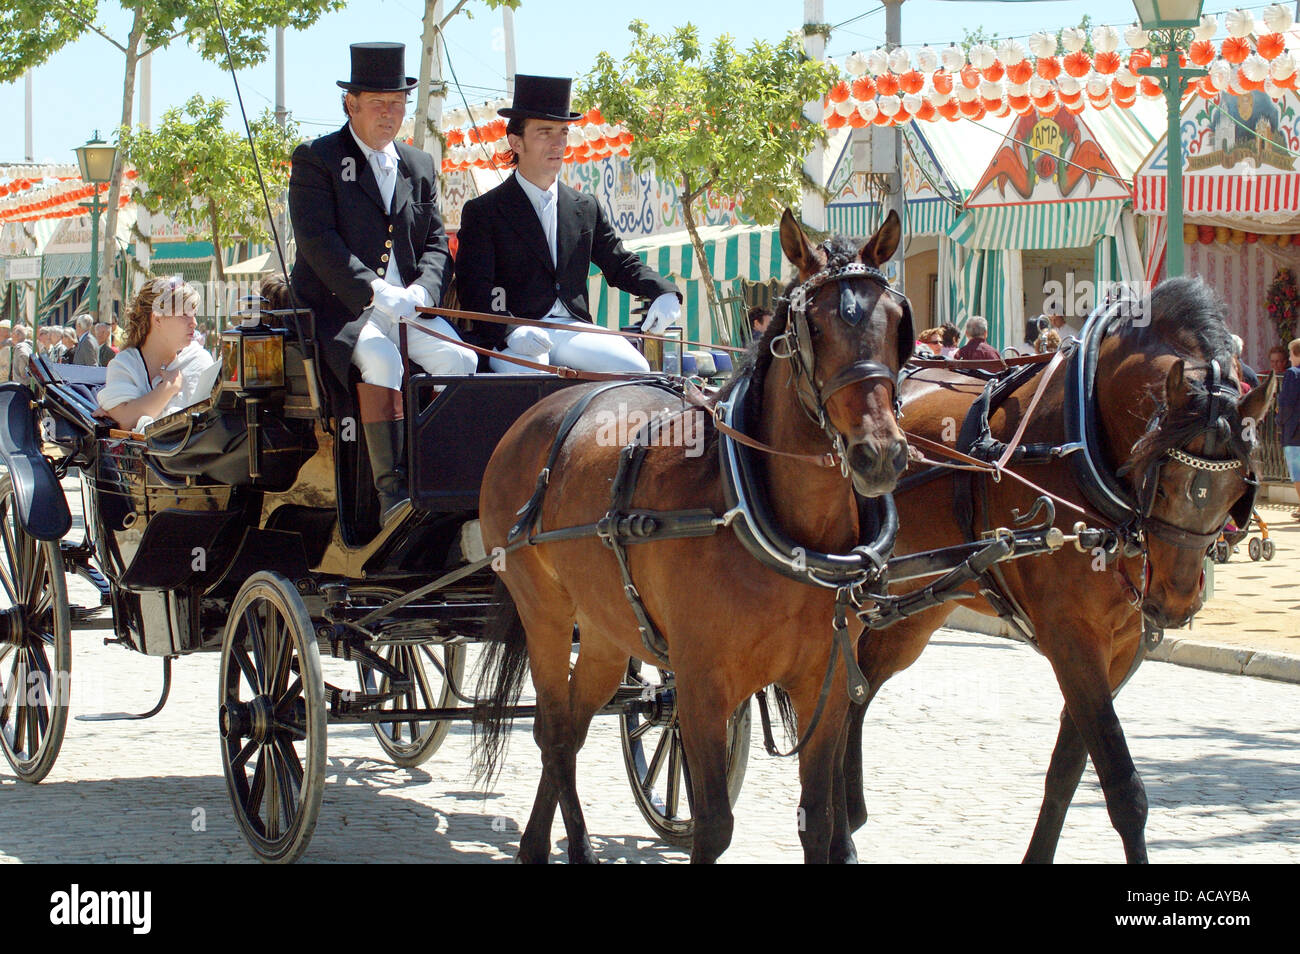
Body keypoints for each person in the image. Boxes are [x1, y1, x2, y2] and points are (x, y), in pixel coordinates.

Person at [290, 41, 476, 526]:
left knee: (462, 359)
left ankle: (445, 476)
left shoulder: (418, 165)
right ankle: (390, 492)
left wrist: (424, 292)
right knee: (381, 357)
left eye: (397, 104)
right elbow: (316, 240)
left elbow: (436, 242)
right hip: (346, 310)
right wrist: (374, 290)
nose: (390, 114)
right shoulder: (318, 158)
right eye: (378, 104)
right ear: (350, 104)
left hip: (410, 307)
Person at [456, 74, 680, 374]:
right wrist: (510, 330)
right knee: (531, 375)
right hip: (512, 335)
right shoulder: (484, 211)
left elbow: (619, 263)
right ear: (515, 141)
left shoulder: (584, 206)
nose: (557, 143)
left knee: (635, 367)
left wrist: (665, 291)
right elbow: (474, 290)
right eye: (544, 133)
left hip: (571, 328)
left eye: (563, 132)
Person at [97, 277, 216, 431]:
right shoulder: (125, 365)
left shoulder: (199, 360)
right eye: (184, 314)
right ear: (158, 319)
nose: (193, 322)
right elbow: (126, 420)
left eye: (194, 314)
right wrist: (168, 388)